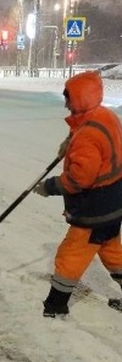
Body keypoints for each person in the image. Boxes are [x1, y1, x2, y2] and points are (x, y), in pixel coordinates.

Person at [30, 70, 122, 318]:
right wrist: (68, 142)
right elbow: (90, 137)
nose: (66, 103)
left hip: (93, 210)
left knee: (71, 255)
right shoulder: (104, 116)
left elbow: (81, 178)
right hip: (113, 205)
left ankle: (55, 305)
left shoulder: (87, 135)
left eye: (68, 98)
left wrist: (50, 187)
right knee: (112, 251)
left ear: (80, 99)